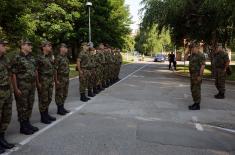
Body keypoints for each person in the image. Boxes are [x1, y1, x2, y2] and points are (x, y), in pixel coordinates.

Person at [11, 40, 39, 135]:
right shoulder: (17, 57)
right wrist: (15, 88)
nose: (31, 46)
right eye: (29, 45)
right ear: (22, 46)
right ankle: (23, 127)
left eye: (31, 45)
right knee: (22, 107)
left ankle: (27, 123)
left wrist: (36, 83)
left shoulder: (31, 58)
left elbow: (35, 71)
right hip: (22, 86)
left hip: (31, 86)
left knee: (29, 105)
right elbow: (13, 74)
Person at [0, 40, 15, 153]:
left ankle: (2, 138)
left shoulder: (5, 59)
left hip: (7, 92)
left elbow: (10, 74)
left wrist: (11, 88)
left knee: (6, 116)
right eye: (3, 45)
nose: (6, 47)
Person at [36, 41, 56, 124]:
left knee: (49, 98)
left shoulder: (50, 57)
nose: (50, 47)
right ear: (43, 47)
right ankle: (43, 117)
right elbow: (36, 71)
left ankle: (46, 114)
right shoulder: (39, 57)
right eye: (49, 45)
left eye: (51, 45)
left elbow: (53, 69)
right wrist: (38, 83)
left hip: (50, 81)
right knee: (43, 99)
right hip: (43, 81)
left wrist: (54, 80)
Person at [188, 42, 205, 110]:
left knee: (196, 90)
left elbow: (203, 66)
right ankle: (195, 103)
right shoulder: (193, 55)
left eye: (193, 48)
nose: (192, 49)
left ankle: (197, 105)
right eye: (191, 48)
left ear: (196, 48)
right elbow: (186, 57)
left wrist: (200, 76)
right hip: (193, 75)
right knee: (193, 89)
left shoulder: (200, 55)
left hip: (197, 75)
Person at [54, 43, 70, 115]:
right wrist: (56, 80)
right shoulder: (58, 58)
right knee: (59, 93)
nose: (66, 49)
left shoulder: (65, 57)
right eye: (65, 47)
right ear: (61, 49)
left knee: (65, 93)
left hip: (66, 78)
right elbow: (55, 70)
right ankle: (59, 109)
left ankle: (62, 107)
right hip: (60, 78)